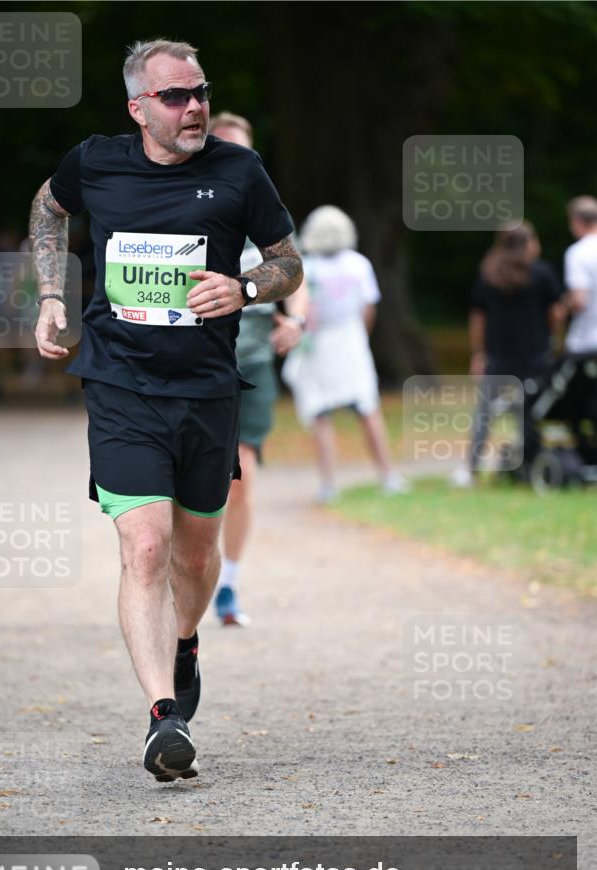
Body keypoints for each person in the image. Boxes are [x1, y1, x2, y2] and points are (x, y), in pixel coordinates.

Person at [29, 39, 302, 783]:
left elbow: (287, 261)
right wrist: (53, 295)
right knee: (144, 547)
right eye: (175, 97)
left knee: (192, 553)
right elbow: (47, 211)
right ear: (138, 108)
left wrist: (245, 289)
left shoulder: (238, 170)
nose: (193, 107)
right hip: (119, 383)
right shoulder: (95, 160)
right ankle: (163, 716)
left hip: (207, 391)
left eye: (199, 92)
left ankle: (184, 641)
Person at [209, 112, 308, 626]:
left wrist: (298, 319)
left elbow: (295, 269)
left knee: (239, 475)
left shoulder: (264, 205)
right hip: (195, 361)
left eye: (245, 151)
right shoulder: (188, 202)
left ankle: (228, 584)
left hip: (251, 362)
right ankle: (185, 571)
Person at [281, 205, 406, 502]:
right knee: (367, 408)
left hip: (320, 343)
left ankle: (328, 484)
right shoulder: (358, 264)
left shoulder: (308, 267)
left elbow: (302, 310)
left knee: (320, 413)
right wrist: (361, 336)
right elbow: (369, 307)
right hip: (351, 340)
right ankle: (388, 475)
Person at [452, 221, 564, 487]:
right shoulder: (542, 274)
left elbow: (478, 318)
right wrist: (555, 339)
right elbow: (556, 313)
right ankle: (528, 464)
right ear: (527, 244)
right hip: (535, 357)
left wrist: (479, 352)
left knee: (484, 413)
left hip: (498, 358)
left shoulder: (489, 276)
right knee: (529, 412)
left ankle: (470, 469)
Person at [564, 196, 597, 355]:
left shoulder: (577, 253)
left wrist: (565, 303)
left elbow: (579, 301)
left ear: (577, 221)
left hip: (587, 343)